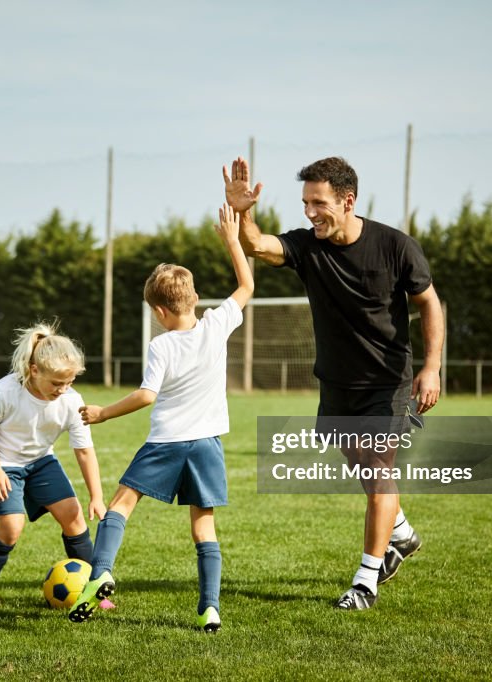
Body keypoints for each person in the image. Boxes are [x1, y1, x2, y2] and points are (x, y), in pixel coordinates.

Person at [222, 155, 444, 610]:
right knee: (358, 459)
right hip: (337, 382)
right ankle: (400, 533)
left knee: (379, 472)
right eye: (305, 203)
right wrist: (243, 210)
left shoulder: (397, 246)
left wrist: (431, 366)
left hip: (388, 381)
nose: (309, 212)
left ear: (347, 200)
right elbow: (258, 245)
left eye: (318, 203)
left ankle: (365, 582)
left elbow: (430, 304)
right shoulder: (309, 247)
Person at [68, 202, 254, 632]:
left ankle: (101, 573)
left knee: (120, 504)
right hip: (208, 444)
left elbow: (147, 395)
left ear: (159, 312)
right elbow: (245, 283)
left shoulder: (161, 345)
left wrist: (103, 413)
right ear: (193, 298)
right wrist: (231, 239)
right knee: (203, 526)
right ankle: (210, 608)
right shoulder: (216, 325)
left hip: (167, 441)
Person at [0, 322, 111, 611]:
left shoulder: (72, 401)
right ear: (34, 370)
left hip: (41, 461)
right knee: (11, 528)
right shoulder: (5, 391)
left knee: (73, 516)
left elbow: (84, 451)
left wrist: (96, 495)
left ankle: (92, 590)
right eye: (57, 383)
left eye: (69, 382)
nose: (63, 389)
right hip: (1, 461)